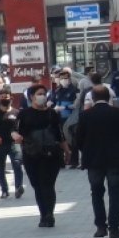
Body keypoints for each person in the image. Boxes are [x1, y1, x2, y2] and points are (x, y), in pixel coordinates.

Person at [75, 86, 119, 238]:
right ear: (109, 97)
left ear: (92, 98)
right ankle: (115, 227)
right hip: (115, 159)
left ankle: (100, 227)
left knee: (96, 193)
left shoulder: (85, 115)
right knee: (115, 194)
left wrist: (85, 151)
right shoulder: (118, 113)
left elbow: (78, 139)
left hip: (93, 161)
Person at [15, 85, 70, 227]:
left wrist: (67, 150)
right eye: (39, 94)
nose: (42, 96)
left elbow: (59, 134)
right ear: (31, 96)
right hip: (31, 154)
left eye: (44, 94)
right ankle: (43, 214)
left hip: (51, 154)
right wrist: (14, 135)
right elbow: (15, 130)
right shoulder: (24, 114)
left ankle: (49, 214)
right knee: (37, 185)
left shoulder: (52, 113)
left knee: (48, 184)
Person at [0, 86, 24, 199]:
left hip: (14, 144)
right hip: (0, 144)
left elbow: (21, 127)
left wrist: (19, 135)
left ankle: (18, 187)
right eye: (2, 97)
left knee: (17, 164)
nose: (4, 99)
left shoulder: (16, 112)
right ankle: (4, 190)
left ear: (11, 98)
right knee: (0, 168)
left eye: (6, 97)